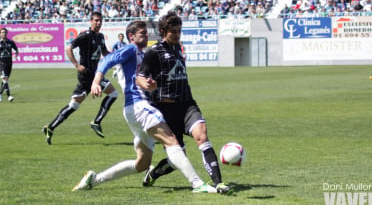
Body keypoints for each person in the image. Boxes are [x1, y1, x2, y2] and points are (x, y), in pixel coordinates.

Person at [72, 20, 216, 193]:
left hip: (135, 109)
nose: (147, 35)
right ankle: (197, 184)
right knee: (172, 141)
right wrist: (96, 81)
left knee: (142, 164)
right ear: (131, 36)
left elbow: (139, 79)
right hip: (139, 106)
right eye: (143, 33)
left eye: (147, 33)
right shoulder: (131, 49)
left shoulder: (141, 53)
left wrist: (151, 85)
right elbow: (107, 60)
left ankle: (94, 179)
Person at [136, 11, 233, 195]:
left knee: (202, 136)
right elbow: (139, 77)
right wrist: (146, 84)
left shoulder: (178, 47)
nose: (178, 34)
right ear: (163, 31)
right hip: (165, 110)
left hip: (187, 104)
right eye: (173, 31)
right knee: (179, 158)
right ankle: (154, 173)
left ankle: (219, 183)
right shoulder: (154, 52)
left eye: (179, 30)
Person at [42, 12, 118, 145]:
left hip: (95, 74)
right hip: (87, 75)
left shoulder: (100, 36)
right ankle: (95, 122)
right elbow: (68, 48)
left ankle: (51, 127)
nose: (98, 23)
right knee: (111, 94)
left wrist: (117, 56)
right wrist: (77, 65)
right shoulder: (85, 36)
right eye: (96, 20)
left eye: (100, 21)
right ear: (91, 21)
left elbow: (104, 52)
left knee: (76, 104)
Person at [0, 28, 19, 102]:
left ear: (7, 33)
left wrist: (16, 55)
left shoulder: (10, 42)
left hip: (9, 62)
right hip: (1, 62)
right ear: (0, 34)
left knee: (5, 79)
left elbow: (16, 49)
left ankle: (0, 94)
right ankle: (9, 96)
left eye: (5, 32)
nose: (3, 33)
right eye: (2, 32)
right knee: (5, 78)